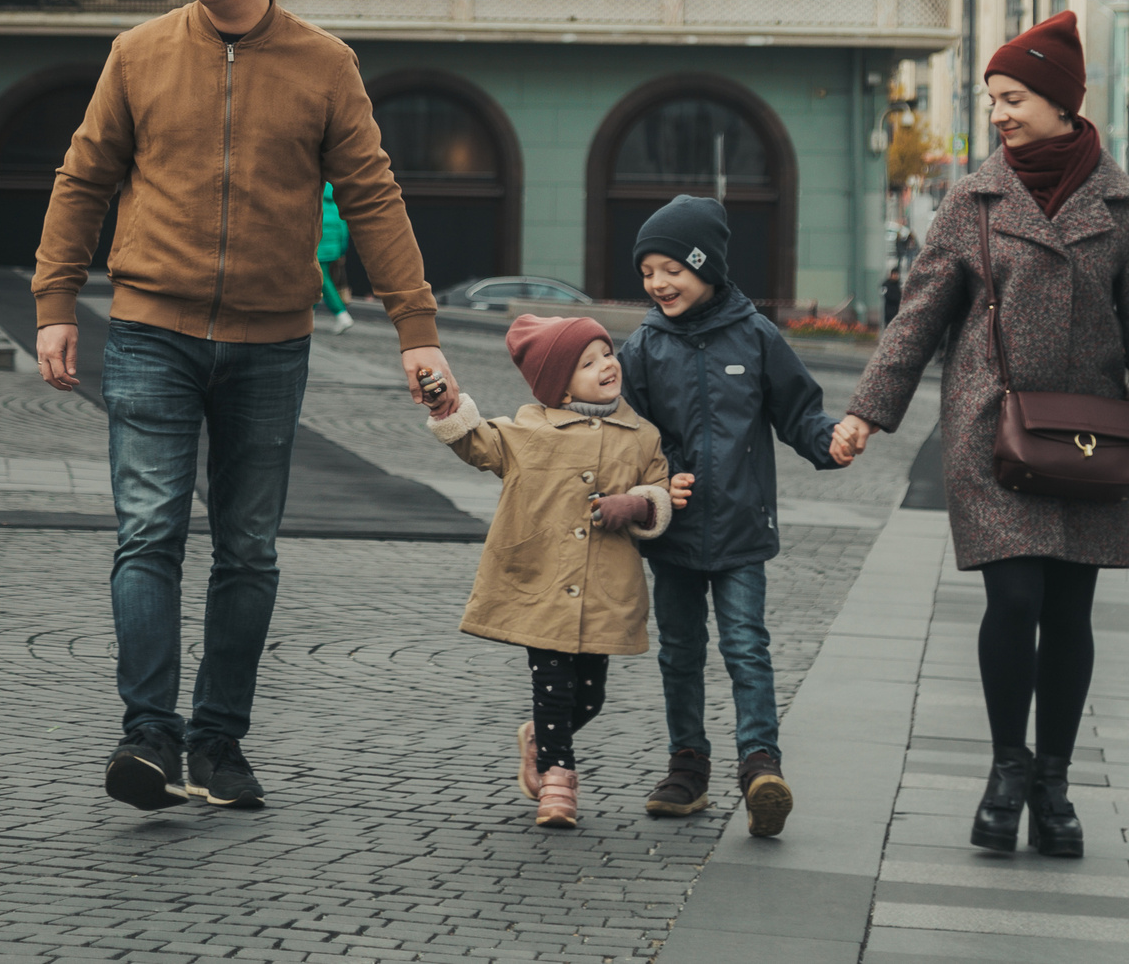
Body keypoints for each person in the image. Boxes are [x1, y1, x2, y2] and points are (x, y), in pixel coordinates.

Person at [31, 0, 458, 813]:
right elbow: (82, 177)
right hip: (149, 330)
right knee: (148, 532)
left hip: (270, 342)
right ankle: (148, 734)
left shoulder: (324, 65)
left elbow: (375, 196)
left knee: (249, 547)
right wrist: (56, 298)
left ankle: (219, 742)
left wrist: (415, 329)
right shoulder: (138, 54)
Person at [829, 10, 1129, 861]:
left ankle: (1054, 784)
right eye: (992, 98)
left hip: (1095, 437)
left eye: (1015, 96)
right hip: (994, 434)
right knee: (1015, 598)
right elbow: (918, 316)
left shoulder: (1125, 203)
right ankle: (1005, 768)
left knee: (1070, 609)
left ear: (1064, 101)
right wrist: (864, 411)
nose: (998, 112)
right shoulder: (975, 198)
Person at [417, 315, 693, 828]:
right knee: (553, 686)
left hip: (602, 589)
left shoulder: (642, 435)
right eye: (587, 363)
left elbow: (658, 491)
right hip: (540, 581)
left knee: (591, 695)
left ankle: (539, 738)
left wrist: (635, 505)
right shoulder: (529, 429)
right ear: (559, 386)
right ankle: (558, 781)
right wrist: (444, 407)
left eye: (606, 353)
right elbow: (476, 442)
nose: (606, 365)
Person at [623, 193, 842, 839]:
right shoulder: (642, 348)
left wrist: (830, 440)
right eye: (647, 272)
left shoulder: (755, 335)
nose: (658, 283)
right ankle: (687, 765)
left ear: (707, 266)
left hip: (743, 528)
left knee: (747, 647)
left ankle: (760, 766)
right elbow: (629, 435)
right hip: (674, 531)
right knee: (680, 651)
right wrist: (658, 473)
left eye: (671, 269)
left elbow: (799, 411)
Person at [316, 181, 355, 335]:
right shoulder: (336, 203)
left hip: (317, 248)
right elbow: (344, 230)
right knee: (317, 280)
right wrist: (341, 251)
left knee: (323, 280)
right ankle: (307, 317)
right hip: (332, 249)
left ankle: (342, 314)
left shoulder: (315, 202)